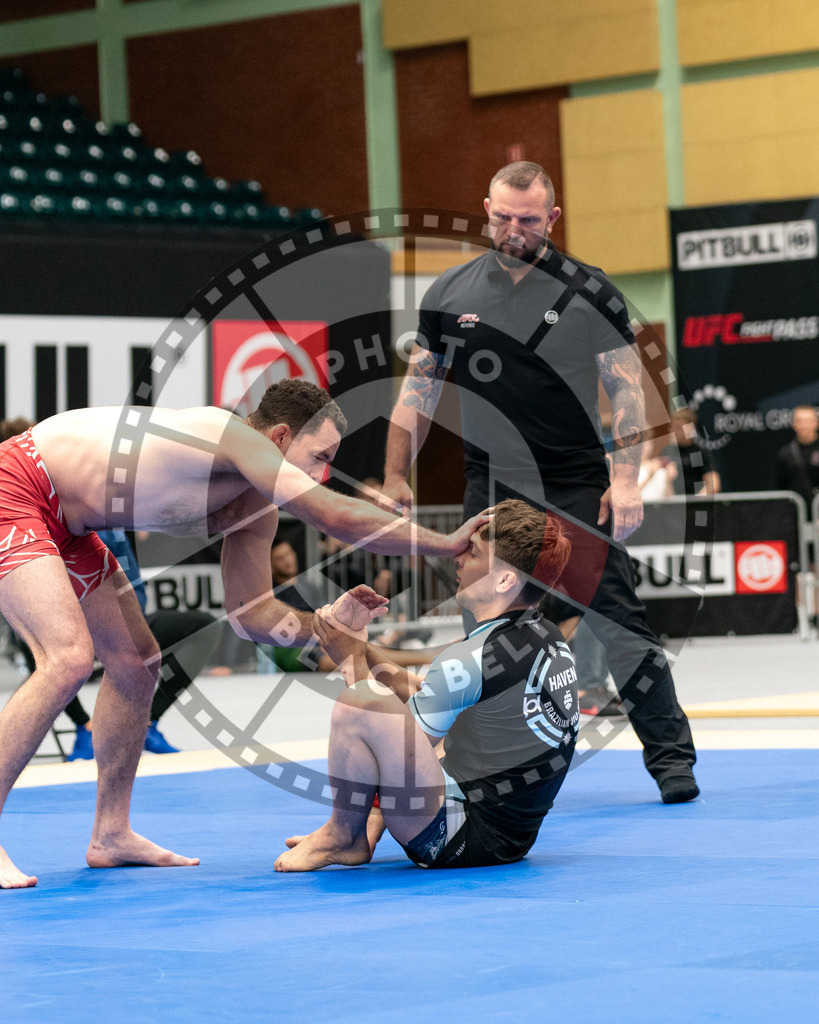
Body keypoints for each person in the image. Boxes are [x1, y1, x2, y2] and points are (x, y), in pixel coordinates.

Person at [0, 379, 489, 888]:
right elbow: (332, 513)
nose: (321, 474)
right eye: (318, 456)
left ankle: (110, 834)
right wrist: (448, 545)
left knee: (138, 663)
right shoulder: (227, 436)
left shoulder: (255, 510)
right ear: (277, 438)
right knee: (67, 658)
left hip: (70, 527)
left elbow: (252, 616)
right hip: (18, 483)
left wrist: (327, 626)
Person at [381, 161, 699, 805]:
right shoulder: (449, 293)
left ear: (551, 219)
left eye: (528, 220)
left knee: (616, 618)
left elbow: (625, 389)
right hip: (492, 484)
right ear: (487, 208)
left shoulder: (590, 290)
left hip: (575, 481)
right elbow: (419, 391)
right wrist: (393, 474)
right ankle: (480, 765)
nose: (513, 230)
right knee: (484, 626)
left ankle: (671, 760)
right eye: (501, 217)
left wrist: (626, 478)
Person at [274, 499, 577, 873]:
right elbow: (426, 695)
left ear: (504, 579)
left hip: (458, 841)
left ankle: (344, 836)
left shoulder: (469, 659)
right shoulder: (545, 636)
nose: (458, 556)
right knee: (429, 725)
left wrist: (348, 658)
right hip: (513, 836)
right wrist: (360, 644)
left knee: (362, 702)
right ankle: (360, 829)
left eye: (474, 551)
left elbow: (389, 750)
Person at [59, 529, 220, 759]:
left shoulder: (113, 527)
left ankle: (146, 725)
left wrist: (131, 621)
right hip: (72, 630)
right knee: (29, 637)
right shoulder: (50, 521)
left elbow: (134, 586)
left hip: (126, 624)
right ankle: (85, 727)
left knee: (206, 627)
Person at [772, 405, 819, 515]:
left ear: (816, 423)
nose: (803, 425)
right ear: (794, 424)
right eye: (799, 421)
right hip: (795, 517)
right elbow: (779, 488)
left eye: (808, 421)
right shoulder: (785, 454)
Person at [662, 408, 721, 496]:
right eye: (672, 427)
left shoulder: (700, 452)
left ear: (689, 428)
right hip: (672, 505)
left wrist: (696, 501)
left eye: (678, 428)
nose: (673, 432)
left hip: (694, 505)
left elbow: (713, 484)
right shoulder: (667, 452)